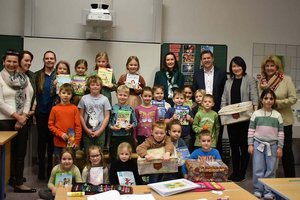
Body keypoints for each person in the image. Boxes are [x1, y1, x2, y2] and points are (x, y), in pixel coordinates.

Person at [0, 50, 36, 193]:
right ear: (3, 62)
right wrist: (17, 116)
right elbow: (0, 102)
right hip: (4, 121)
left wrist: (23, 117)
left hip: (22, 120)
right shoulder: (0, 78)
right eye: (9, 61)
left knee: (20, 153)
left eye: (15, 61)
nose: (12, 64)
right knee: (5, 155)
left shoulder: (23, 78)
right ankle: (5, 180)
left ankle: (18, 182)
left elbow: (29, 97)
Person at [221, 56, 258, 182]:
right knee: (234, 146)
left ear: (243, 66)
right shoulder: (228, 81)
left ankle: (242, 172)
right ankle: (235, 171)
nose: (236, 68)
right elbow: (224, 99)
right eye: (234, 66)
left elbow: (254, 98)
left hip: (245, 119)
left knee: (244, 146)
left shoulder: (250, 80)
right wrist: (224, 113)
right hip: (232, 120)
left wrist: (254, 115)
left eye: (238, 66)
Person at [259, 55, 297, 178]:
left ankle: (290, 179)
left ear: (277, 67)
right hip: (267, 121)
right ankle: (267, 179)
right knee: (267, 151)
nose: (269, 68)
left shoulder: (286, 79)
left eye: (272, 65)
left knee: (286, 152)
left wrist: (277, 103)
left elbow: (293, 98)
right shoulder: (262, 81)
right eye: (267, 66)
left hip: (284, 121)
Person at [248, 89, 284, 199]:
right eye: (266, 98)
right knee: (258, 168)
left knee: (271, 169)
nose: (268, 101)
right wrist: (250, 144)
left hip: (272, 146)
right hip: (258, 144)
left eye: (271, 98)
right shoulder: (256, 114)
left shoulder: (277, 115)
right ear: (261, 100)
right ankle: (258, 189)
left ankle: (269, 191)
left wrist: (280, 147)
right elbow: (251, 130)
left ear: (274, 100)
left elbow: (281, 133)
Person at [192, 50, 227, 156]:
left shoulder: (221, 73)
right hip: (201, 110)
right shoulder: (197, 73)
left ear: (212, 59)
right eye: (204, 58)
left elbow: (224, 90)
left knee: (217, 134)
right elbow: (195, 90)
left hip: (217, 109)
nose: (206, 60)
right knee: (201, 136)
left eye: (208, 58)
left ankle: (216, 159)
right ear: (201, 61)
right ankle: (200, 158)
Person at [35, 50, 57, 180]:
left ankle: (50, 171)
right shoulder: (37, 75)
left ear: (55, 60)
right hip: (41, 113)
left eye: (52, 58)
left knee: (52, 143)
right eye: (47, 58)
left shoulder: (59, 75)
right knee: (41, 142)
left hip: (55, 114)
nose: (49, 60)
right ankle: (41, 170)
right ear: (44, 60)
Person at [48, 83, 82, 164]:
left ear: (71, 95)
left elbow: (78, 126)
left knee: (70, 164)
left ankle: (70, 177)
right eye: (63, 93)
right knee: (59, 163)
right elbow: (50, 125)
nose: (66, 95)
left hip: (71, 142)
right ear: (59, 94)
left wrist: (77, 141)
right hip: (58, 142)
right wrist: (61, 134)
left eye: (68, 93)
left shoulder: (74, 109)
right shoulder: (55, 109)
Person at [78, 75, 111, 151]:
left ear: (101, 86)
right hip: (87, 132)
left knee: (99, 153)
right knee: (88, 153)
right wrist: (86, 129)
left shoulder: (105, 99)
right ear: (89, 86)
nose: (95, 87)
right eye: (93, 85)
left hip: (100, 132)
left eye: (97, 85)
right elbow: (80, 115)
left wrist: (100, 131)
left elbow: (107, 116)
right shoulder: (84, 98)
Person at [109, 85, 137, 161]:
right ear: (117, 95)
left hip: (126, 136)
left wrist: (131, 126)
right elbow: (109, 123)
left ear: (128, 96)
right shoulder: (113, 108)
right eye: (120, 95)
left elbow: (135, 122)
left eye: (125, 95)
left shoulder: (130, 109)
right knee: (114, 156)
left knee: (127, 157)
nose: (122, 97)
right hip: (115, 136)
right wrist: (112, 127)